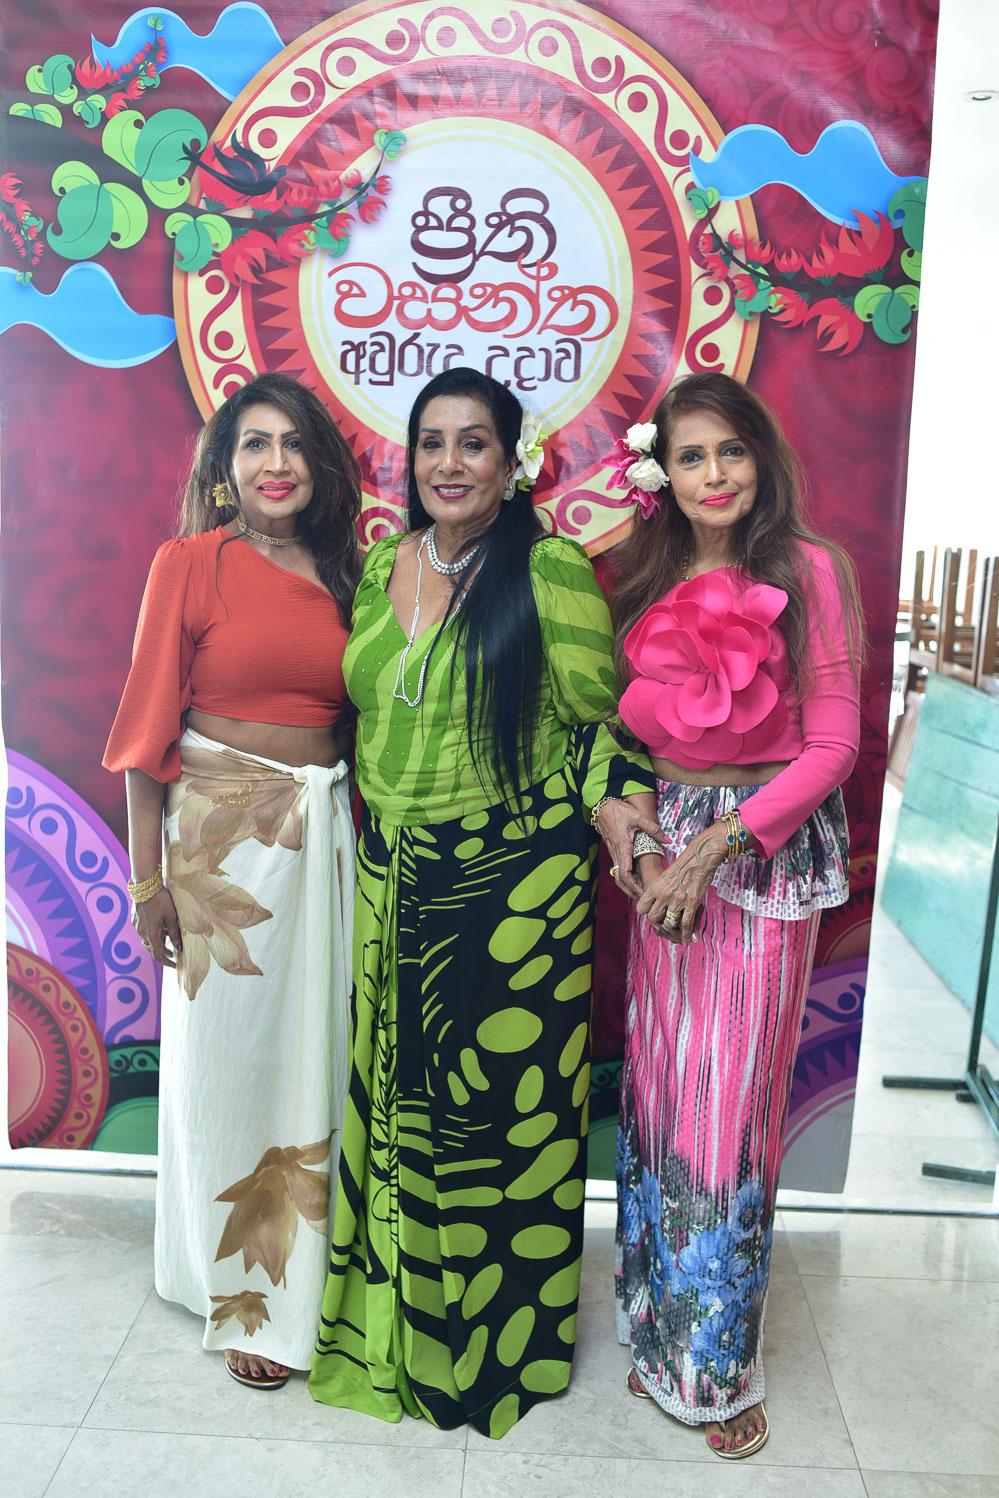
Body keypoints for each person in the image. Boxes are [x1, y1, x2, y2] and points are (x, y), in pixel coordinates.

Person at [308, 367, 658, 1438]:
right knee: (398, 1106)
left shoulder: (549, 569)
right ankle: (400, 1323)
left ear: (513, 463)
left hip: (515, 894)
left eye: (473, 443)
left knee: (494, 1124)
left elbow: (601, 723)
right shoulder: (383, 565)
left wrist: (627, 819)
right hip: (394, 878)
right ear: (409, 459)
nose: (449, 463)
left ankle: (500, 1345)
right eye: (431, 442)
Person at [608, 372, 863, 1457]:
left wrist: (714, 849)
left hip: (757, 853)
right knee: (661, 1094)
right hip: (661, 854)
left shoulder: (807, 569)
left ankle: (714, 1365)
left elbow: (834, 744)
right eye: (690, 456)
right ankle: (654, 1331)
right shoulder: (641, 572)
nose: (713, 474)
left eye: (731, 451)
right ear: (662, 472)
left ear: (761, 458)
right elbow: (614, 732)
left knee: (729, 1107)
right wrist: (633, 832)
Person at [103, 373, 361, 1390]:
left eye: (293, 443)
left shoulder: (348, 570)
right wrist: (147, 883)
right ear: (224, 468)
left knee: (313, 1055)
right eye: (255, 444)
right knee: (230, 1063)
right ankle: (239, 1294)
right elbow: (143, 734)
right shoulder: (190, 564)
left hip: (321, 839)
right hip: (218, 842)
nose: (276, 463)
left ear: (319, 462)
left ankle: (307, 1274)